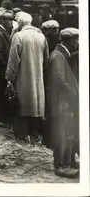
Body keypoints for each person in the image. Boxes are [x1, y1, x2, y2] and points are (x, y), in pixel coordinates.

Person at [5, 12, 49, 143]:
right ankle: (34, 134)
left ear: (20, 23)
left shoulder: (19, 36)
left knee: (23, 103)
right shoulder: (41, 37)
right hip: (38, 75)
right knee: (36, 104)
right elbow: (46, 60)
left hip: (23, 75)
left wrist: (9, 78)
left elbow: (13, 60)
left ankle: (23, 135)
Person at [45, 28, 79, 178]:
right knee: (61, 133)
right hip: (61, 102)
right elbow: (59, 79)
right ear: (70, 40)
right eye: (76, 41)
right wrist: (72, 91)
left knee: (68, 132)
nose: (78, 44)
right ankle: (61, 165)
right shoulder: (58, 56)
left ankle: (69, 160)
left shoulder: (61, 53)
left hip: (64, 101)